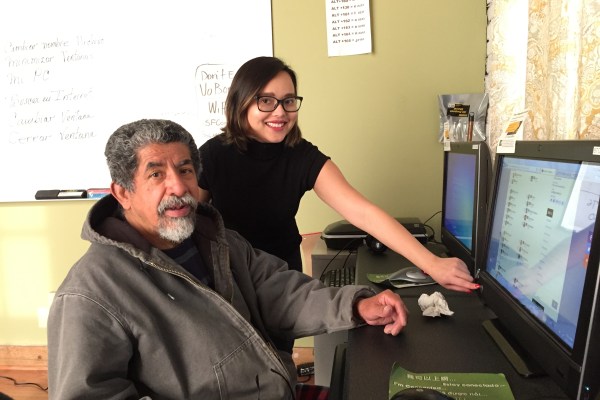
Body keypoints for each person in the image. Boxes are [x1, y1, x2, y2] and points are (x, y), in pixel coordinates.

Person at [47, 119, 408, 400]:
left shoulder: (218, 240)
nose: (178, 186)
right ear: (122, 193)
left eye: (186, 170)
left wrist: (356, 305)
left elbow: (279, 291)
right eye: (156, 174)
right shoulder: (89, 294)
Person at [198, 56, 479, 293]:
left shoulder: (301, 155)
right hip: (227, 280)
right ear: (241, 102)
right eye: (267, 101)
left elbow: (362, 213)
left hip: (281, 280)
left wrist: (432, 263)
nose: (280, 112)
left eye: (288, 100)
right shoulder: (211, 155)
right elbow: (187, 221)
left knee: (279, 357)